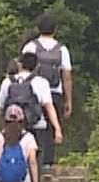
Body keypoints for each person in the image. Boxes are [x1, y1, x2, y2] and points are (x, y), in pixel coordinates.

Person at [20, 14, 72, 173]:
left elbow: (22, 69)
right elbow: (67, 75)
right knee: (50, 128)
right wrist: (69, 100)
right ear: (55, 29)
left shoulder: (30, 46)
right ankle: (47, 163)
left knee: (31, 124)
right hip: (55, 91)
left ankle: (29, 160)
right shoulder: (62, 49)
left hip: (33, 92)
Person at [0, 51, 61, 168]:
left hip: (13, 127)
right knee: (35, 160)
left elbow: (1, 108)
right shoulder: (41, 82)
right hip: (37, 126)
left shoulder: (7, 82)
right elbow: (49, 107)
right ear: (37, 67)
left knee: (14, 159)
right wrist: (57, 129)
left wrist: (3, 128)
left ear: (20, 65)